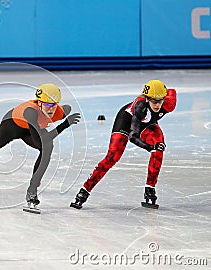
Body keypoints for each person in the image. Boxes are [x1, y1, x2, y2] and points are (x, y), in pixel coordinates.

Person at [70, 80, 177, 209]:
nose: (157, 105)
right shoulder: (140, 107)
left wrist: (154, 147)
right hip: (127, 121)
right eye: (154, 101)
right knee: (112, 157)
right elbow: (133, 136)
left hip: (147, 124)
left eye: (160, 101)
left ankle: (150, 189)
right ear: (147, 99)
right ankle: (85, 190)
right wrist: (149, 147)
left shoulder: (169, 102)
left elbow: (171, 92)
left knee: (159, 146)